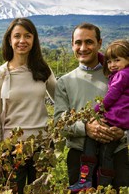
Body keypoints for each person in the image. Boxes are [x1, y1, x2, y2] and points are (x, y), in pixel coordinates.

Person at [54, 23, 129, 191]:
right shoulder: (65, 82)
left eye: (89, 42)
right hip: (80, 156)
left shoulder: (118, 76)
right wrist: (85, 128)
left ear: (99, 43)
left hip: (116, 153)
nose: (83, 47)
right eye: (78, 42)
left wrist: (124, 133)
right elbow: (59, 122)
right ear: (72, 44)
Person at [0, 17, 56, 194]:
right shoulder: (0, 74)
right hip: (12, 149)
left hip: (42, 147)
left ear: (34, 40)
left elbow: (61, 100)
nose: (22, 41)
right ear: (9, 40)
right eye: (17, 36)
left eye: (27, 36)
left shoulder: (43, 69)